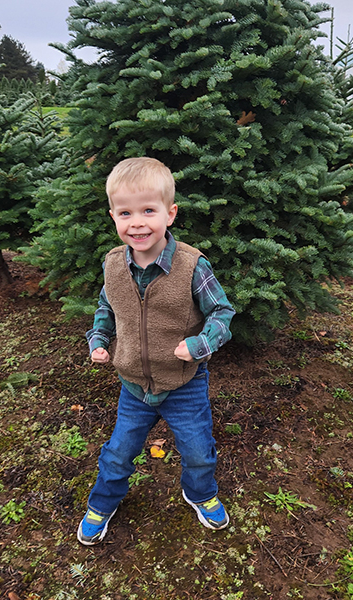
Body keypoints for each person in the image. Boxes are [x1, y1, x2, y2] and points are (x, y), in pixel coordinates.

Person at [78, 157, 235, 545]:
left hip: (184, 383)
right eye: (125, 213)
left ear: (170, 213)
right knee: (118, 452)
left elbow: (222, 312)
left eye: (148, 211)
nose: (137, 223)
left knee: (198, 450)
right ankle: (102, 503)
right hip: (133, 385)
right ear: (113, 215)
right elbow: (106, 308)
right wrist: (98, 340)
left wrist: (201, 344)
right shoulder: (113, 265)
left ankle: (200, 493)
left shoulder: (192, 266)